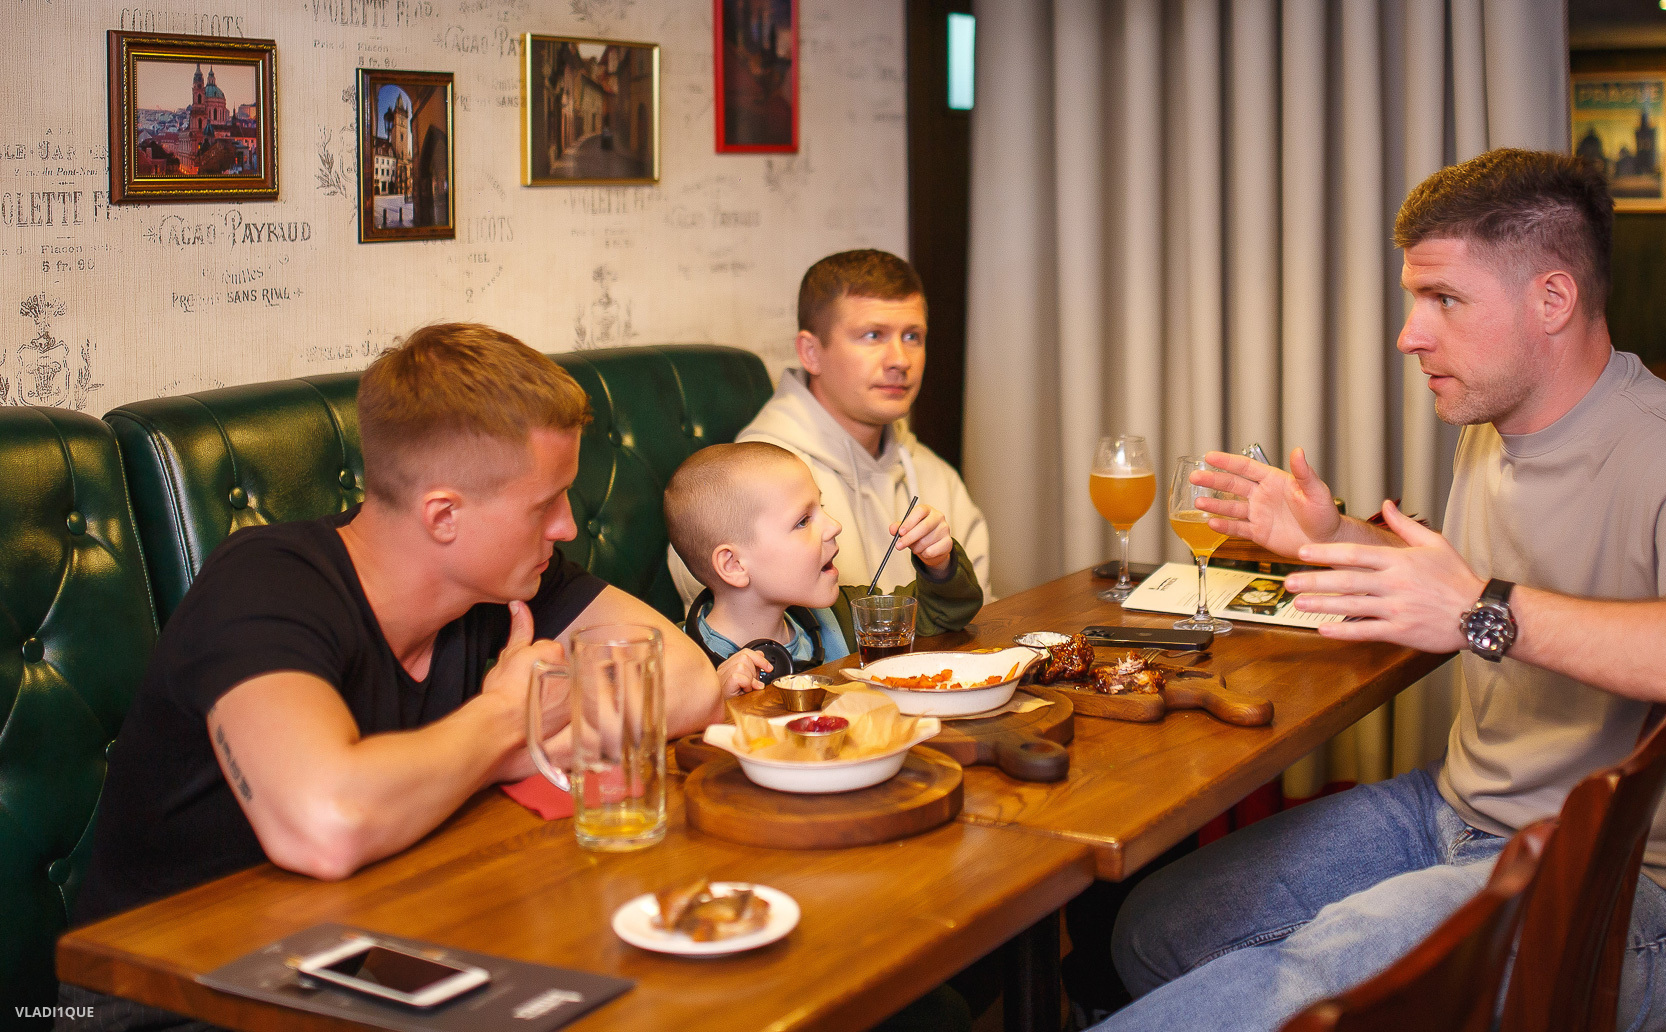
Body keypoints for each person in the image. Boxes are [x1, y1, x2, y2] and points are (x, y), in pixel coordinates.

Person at [1103, 149, 1666, 1032]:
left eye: (1443, 299)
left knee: (1286, 991)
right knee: (1151, 931)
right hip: (1459, 811)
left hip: (1644, 891)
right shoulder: (1493, 424)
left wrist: (1486, 612)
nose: (1409, 335)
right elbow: (1469, 585)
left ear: (1552, 300)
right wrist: (1331, 537)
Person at [63, 324, 721, 1030]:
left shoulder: (499, 577)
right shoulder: (264, 585)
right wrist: (506, 721)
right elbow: (326, 826)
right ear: (444, 515)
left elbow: (687, 681)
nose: (565, 526)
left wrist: (500, 751)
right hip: (176, 995)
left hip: (378, 944)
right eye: (545, 503)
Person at [669, 249, 991, 608]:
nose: (900, 360)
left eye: (913, 336)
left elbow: (982, 617)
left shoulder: (937, 476)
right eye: (873, 335)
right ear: (811, 352)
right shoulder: (751, 481)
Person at [664, 441, 983, 696]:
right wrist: (710, 703)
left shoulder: (844, 617)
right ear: (734, 565)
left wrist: (938, 563)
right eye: (803, 521)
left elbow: (941, 615)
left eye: (822, 508)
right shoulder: (672, 664)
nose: (834, 526)